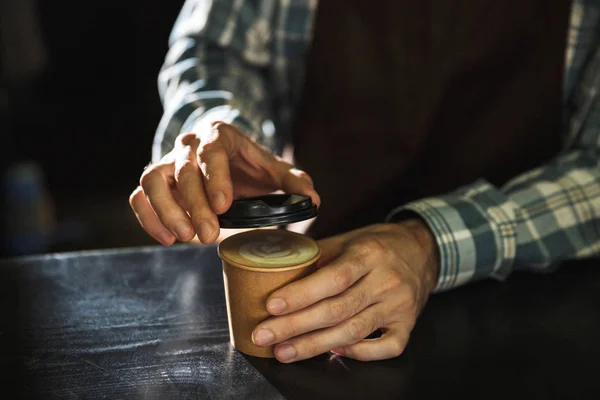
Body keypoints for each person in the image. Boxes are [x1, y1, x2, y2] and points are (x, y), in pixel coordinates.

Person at [129, 0, 600, 363]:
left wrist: (432, 244)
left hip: (537, 318)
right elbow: (215, 49)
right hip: (323, 300)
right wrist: (215, 123)